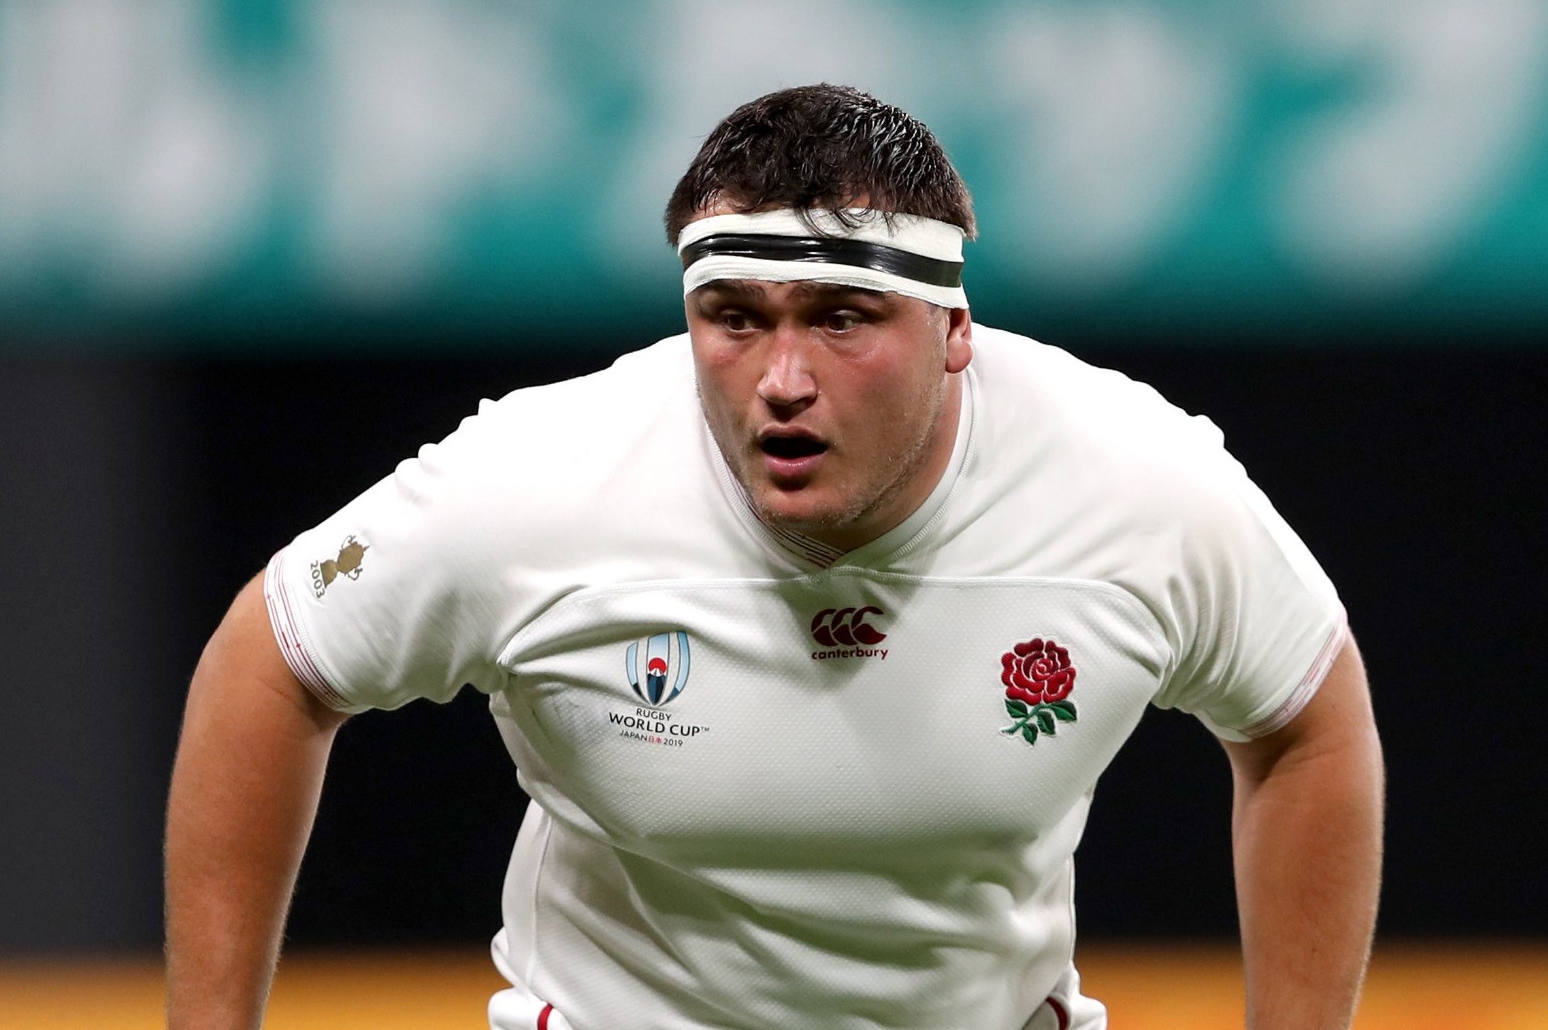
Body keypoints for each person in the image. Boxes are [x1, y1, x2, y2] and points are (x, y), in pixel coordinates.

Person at [164, 84, 1383, 1030]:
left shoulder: (1133, 483)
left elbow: (1308, 719)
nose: (782, 380)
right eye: (735, 320)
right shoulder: (539, 479)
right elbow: (273, 659)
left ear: (955, 329)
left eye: (841, 319)